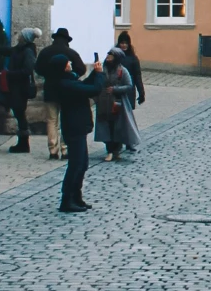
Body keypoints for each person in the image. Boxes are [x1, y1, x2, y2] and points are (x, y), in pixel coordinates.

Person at [56, 48, 106, 212]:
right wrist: (99, 74)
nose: (70, 63)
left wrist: (94, 72)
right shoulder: (64, 84)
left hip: (77, 127)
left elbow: (84, 85)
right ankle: (67, 199)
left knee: (82, 164)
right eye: (67, 63)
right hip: (74, 127)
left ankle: (76, 196)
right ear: (62, 68)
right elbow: (93, 90)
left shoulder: (68, 80)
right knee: (76, 164)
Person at [35, 30, 73, 160]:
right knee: (65, 120)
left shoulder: (45, 52)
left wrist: (48, 74)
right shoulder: (70, 53)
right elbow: (81, 68)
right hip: (66, 90)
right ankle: (65, 149)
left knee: (52, 120)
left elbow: (38, 68)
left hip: (50, 89)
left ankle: (53, 150)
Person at [97, 47, 138, 161]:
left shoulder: (122, 71)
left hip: (118, 102)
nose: (108, 58)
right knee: (106, 126)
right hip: (104, 102)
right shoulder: (102, 69)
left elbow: (129, 85)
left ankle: (116, 150)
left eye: (111, 56)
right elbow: (96, 80)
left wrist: (115, 89)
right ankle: (109, 150)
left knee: (117, 127)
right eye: (108, 55)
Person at [3, 29, 39, 152]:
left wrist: (9, 74)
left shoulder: (28, 51)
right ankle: (22, 143)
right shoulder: (19, 49)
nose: (18, 36)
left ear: (24, 37)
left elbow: (27, 71)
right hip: (16, 88)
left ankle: (24, 144)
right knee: (19, 114)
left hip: (21, 89)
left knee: (20, 114)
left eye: (20, 35)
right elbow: (3, 50)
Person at [116, 32, 146, 109]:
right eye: (122, 43)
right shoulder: (114, 56)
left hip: (129, 89)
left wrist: (141, 93)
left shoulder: (133, 59)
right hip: (116, 88)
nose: (124, 45)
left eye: (126, 43)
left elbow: (137, 77)